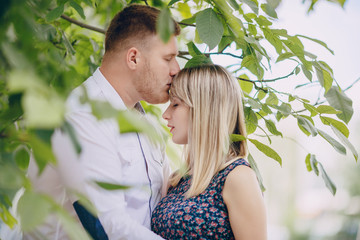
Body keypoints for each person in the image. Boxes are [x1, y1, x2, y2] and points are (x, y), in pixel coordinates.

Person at [26, 4, 181, 240]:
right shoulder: (80, 115)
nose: (176, 70)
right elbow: (105, 228)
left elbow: (166, 202)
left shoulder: (146, 126)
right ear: (133, 58)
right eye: (168, 58)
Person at [151, 65, 267, 239]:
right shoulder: (177, 180)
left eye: (175, 104)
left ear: (204, 109)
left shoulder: (238, 177)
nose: (165, 114)